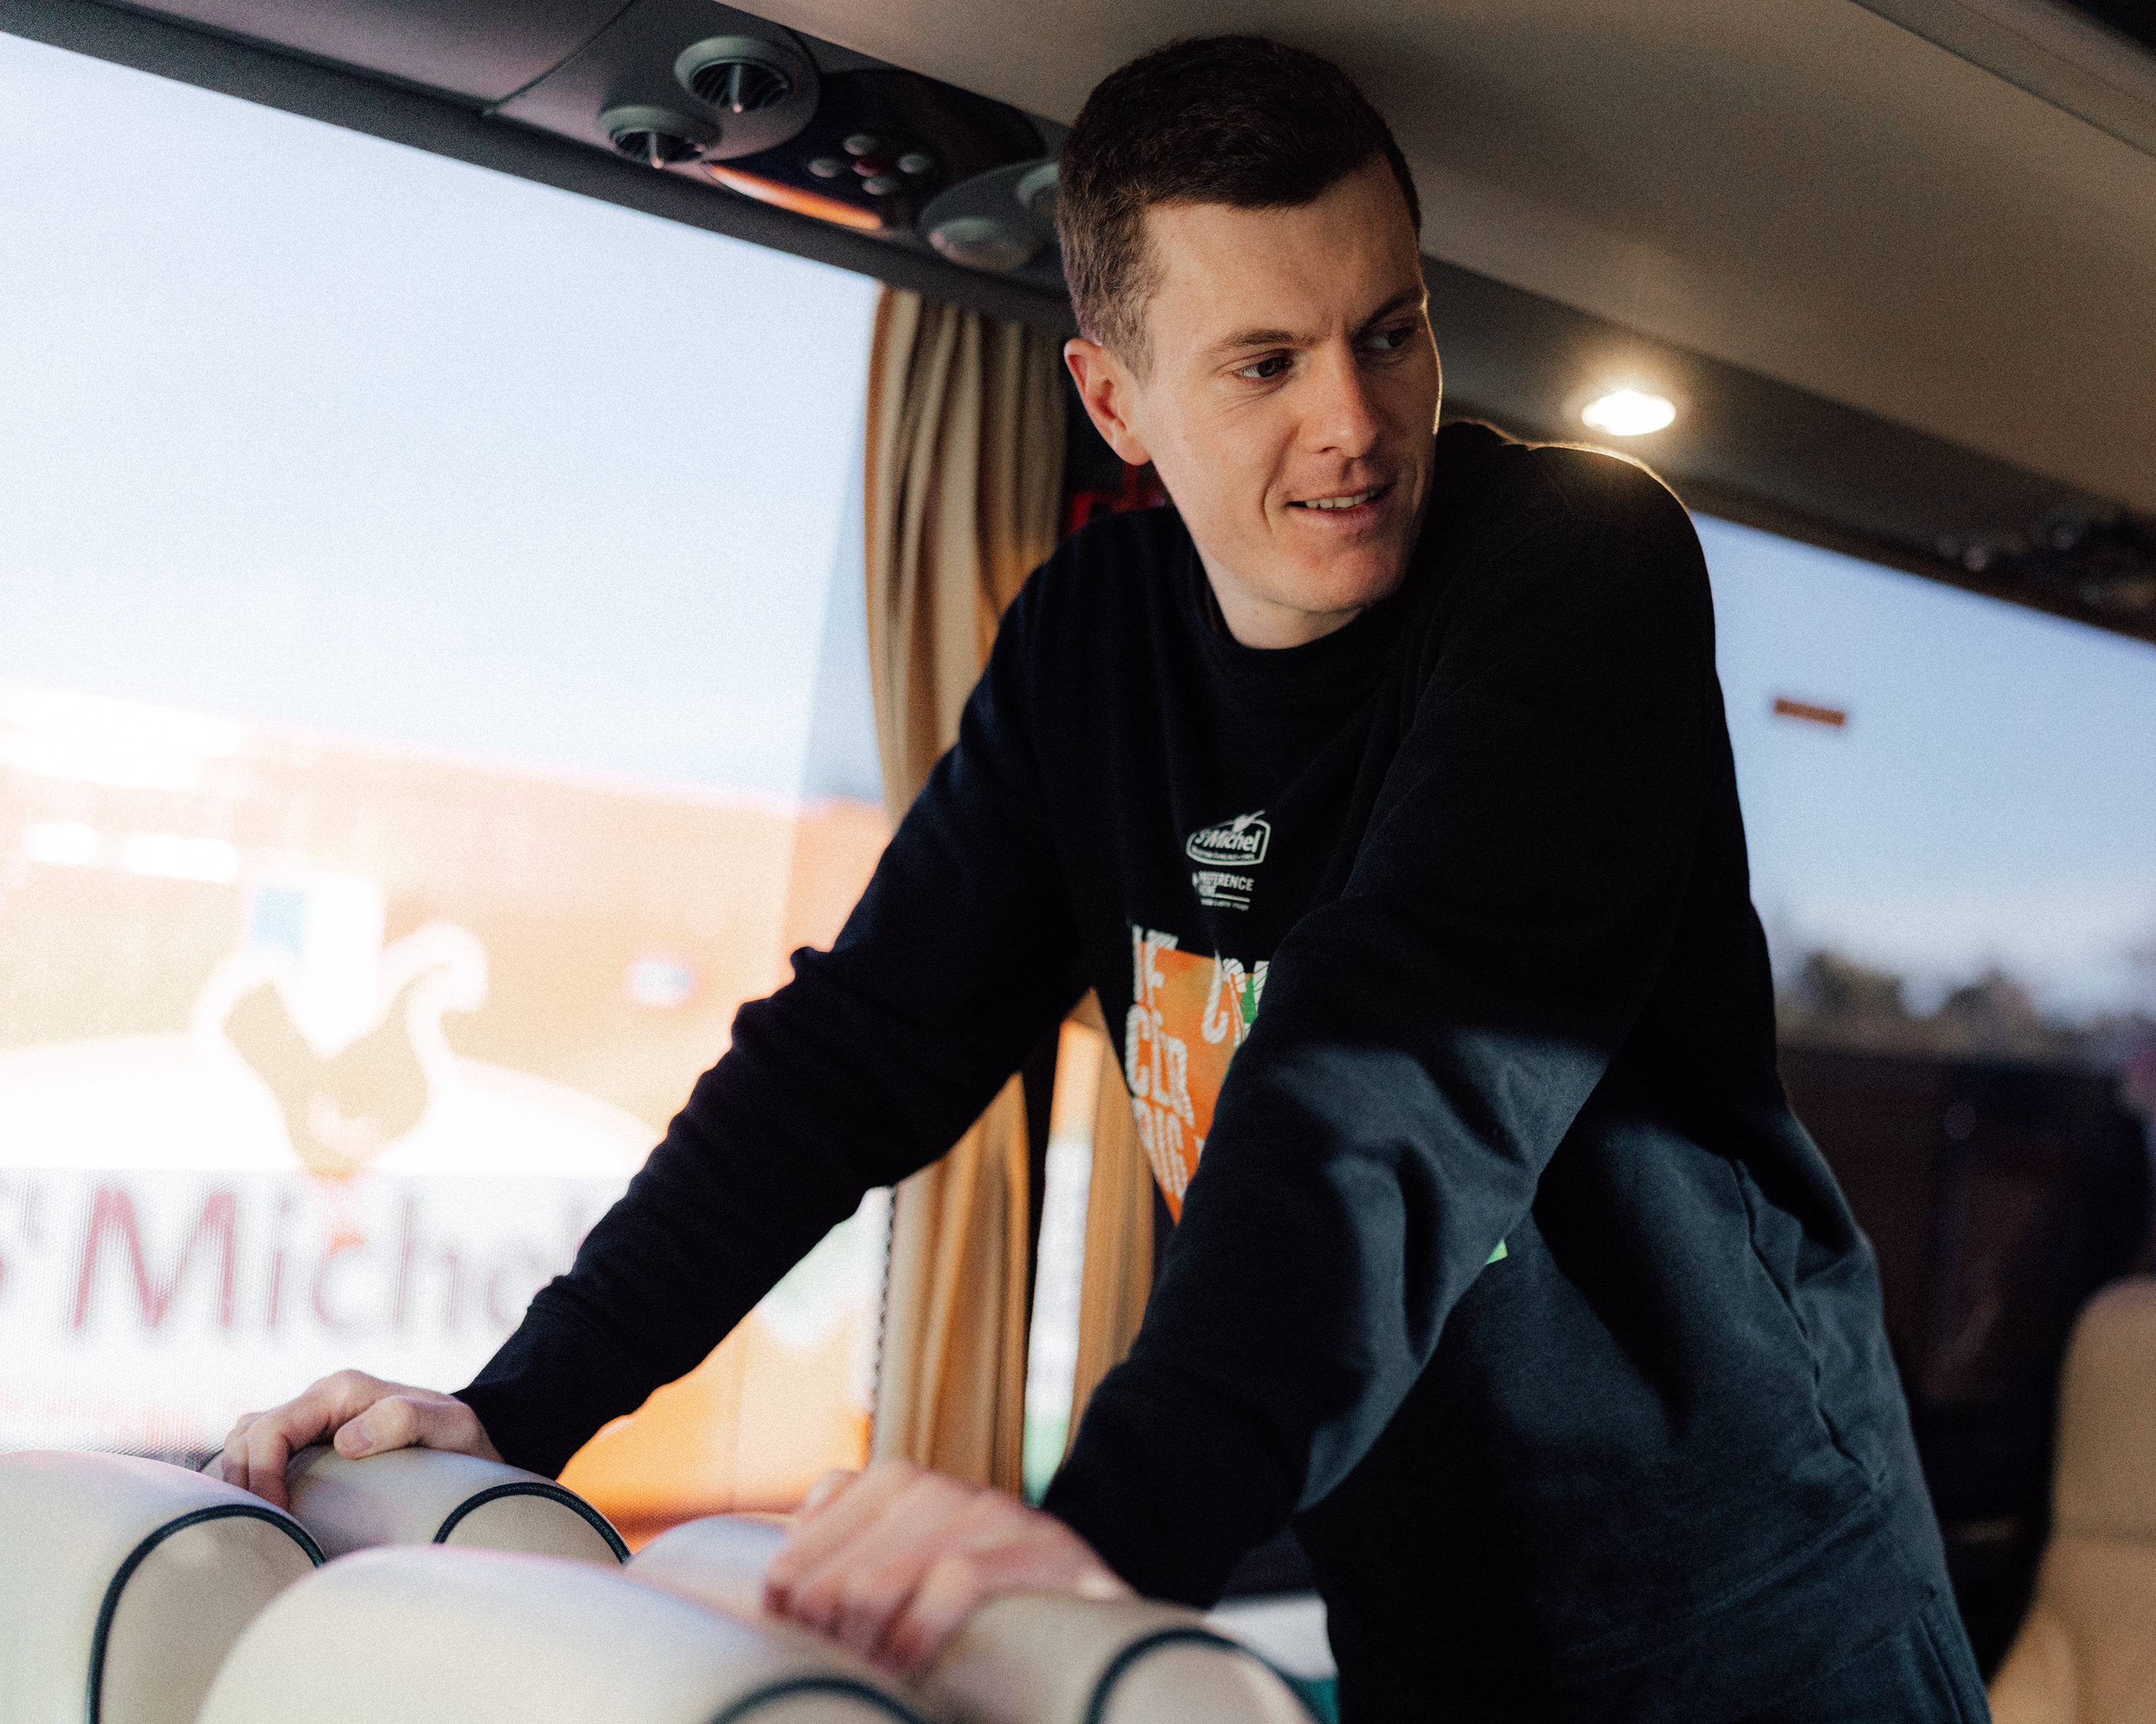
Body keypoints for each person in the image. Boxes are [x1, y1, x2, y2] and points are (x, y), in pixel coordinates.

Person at [213, 36, 1982, 1723]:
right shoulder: (1088, 652)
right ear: (1115, 401)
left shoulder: (1578, 567)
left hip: (1763, 1609)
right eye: (1266, 364)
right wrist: (520, 1411)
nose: (1357, 420)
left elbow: (1401, 1069)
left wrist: (1105, 1537)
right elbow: (851, 1059)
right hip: (1428, 1619)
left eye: (1391, 332)